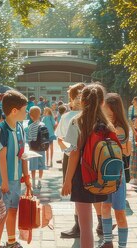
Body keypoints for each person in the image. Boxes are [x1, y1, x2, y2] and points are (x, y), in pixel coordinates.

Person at [61, 83, 111, 248]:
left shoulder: (78, 121)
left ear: (82, 100)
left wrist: (67, 181)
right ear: (102, 102)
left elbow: (74, 154)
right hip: (102, 177)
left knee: (85, 225)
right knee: (92, 220)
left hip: (82, 178)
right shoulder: (106, 124)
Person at [0, 91, 32, 248]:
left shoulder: (21, 127)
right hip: (4, 180)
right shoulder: (2, 129)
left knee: (13, 210)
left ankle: (11, 243)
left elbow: (23, 153)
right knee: (2, 213)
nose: (26, 112)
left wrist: (27, 177)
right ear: (14, 111)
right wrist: (4, 182)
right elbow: (2, 157)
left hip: (16, 179)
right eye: (24, 109)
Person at [95, 92, 132, 248]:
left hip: (117, 176)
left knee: (119, 212)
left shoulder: (120, 129)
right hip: (105, 174)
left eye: (108, 111)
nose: (105, 114)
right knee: (105, 208)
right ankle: (108, 241)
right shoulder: (107, 126)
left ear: (115, 110)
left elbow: (126, 151)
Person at [56, 83, 85, 239]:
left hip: (72, 157)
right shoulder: (95, 115)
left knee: (76, 192)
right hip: (92, 157)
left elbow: (63, 141)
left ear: (73, 99)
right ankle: (102, 223)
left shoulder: (67, 117)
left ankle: (78, 225)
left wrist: (65, 147)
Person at [26, 106, 47, 189]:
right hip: (42, 149)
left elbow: (28, 139)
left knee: (33, 167)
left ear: (30, 116)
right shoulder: (43, 125)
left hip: (33, 150)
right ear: (40, 115)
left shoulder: (30, 127)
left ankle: (33, 183)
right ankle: (40, 182)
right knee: (41, 167)